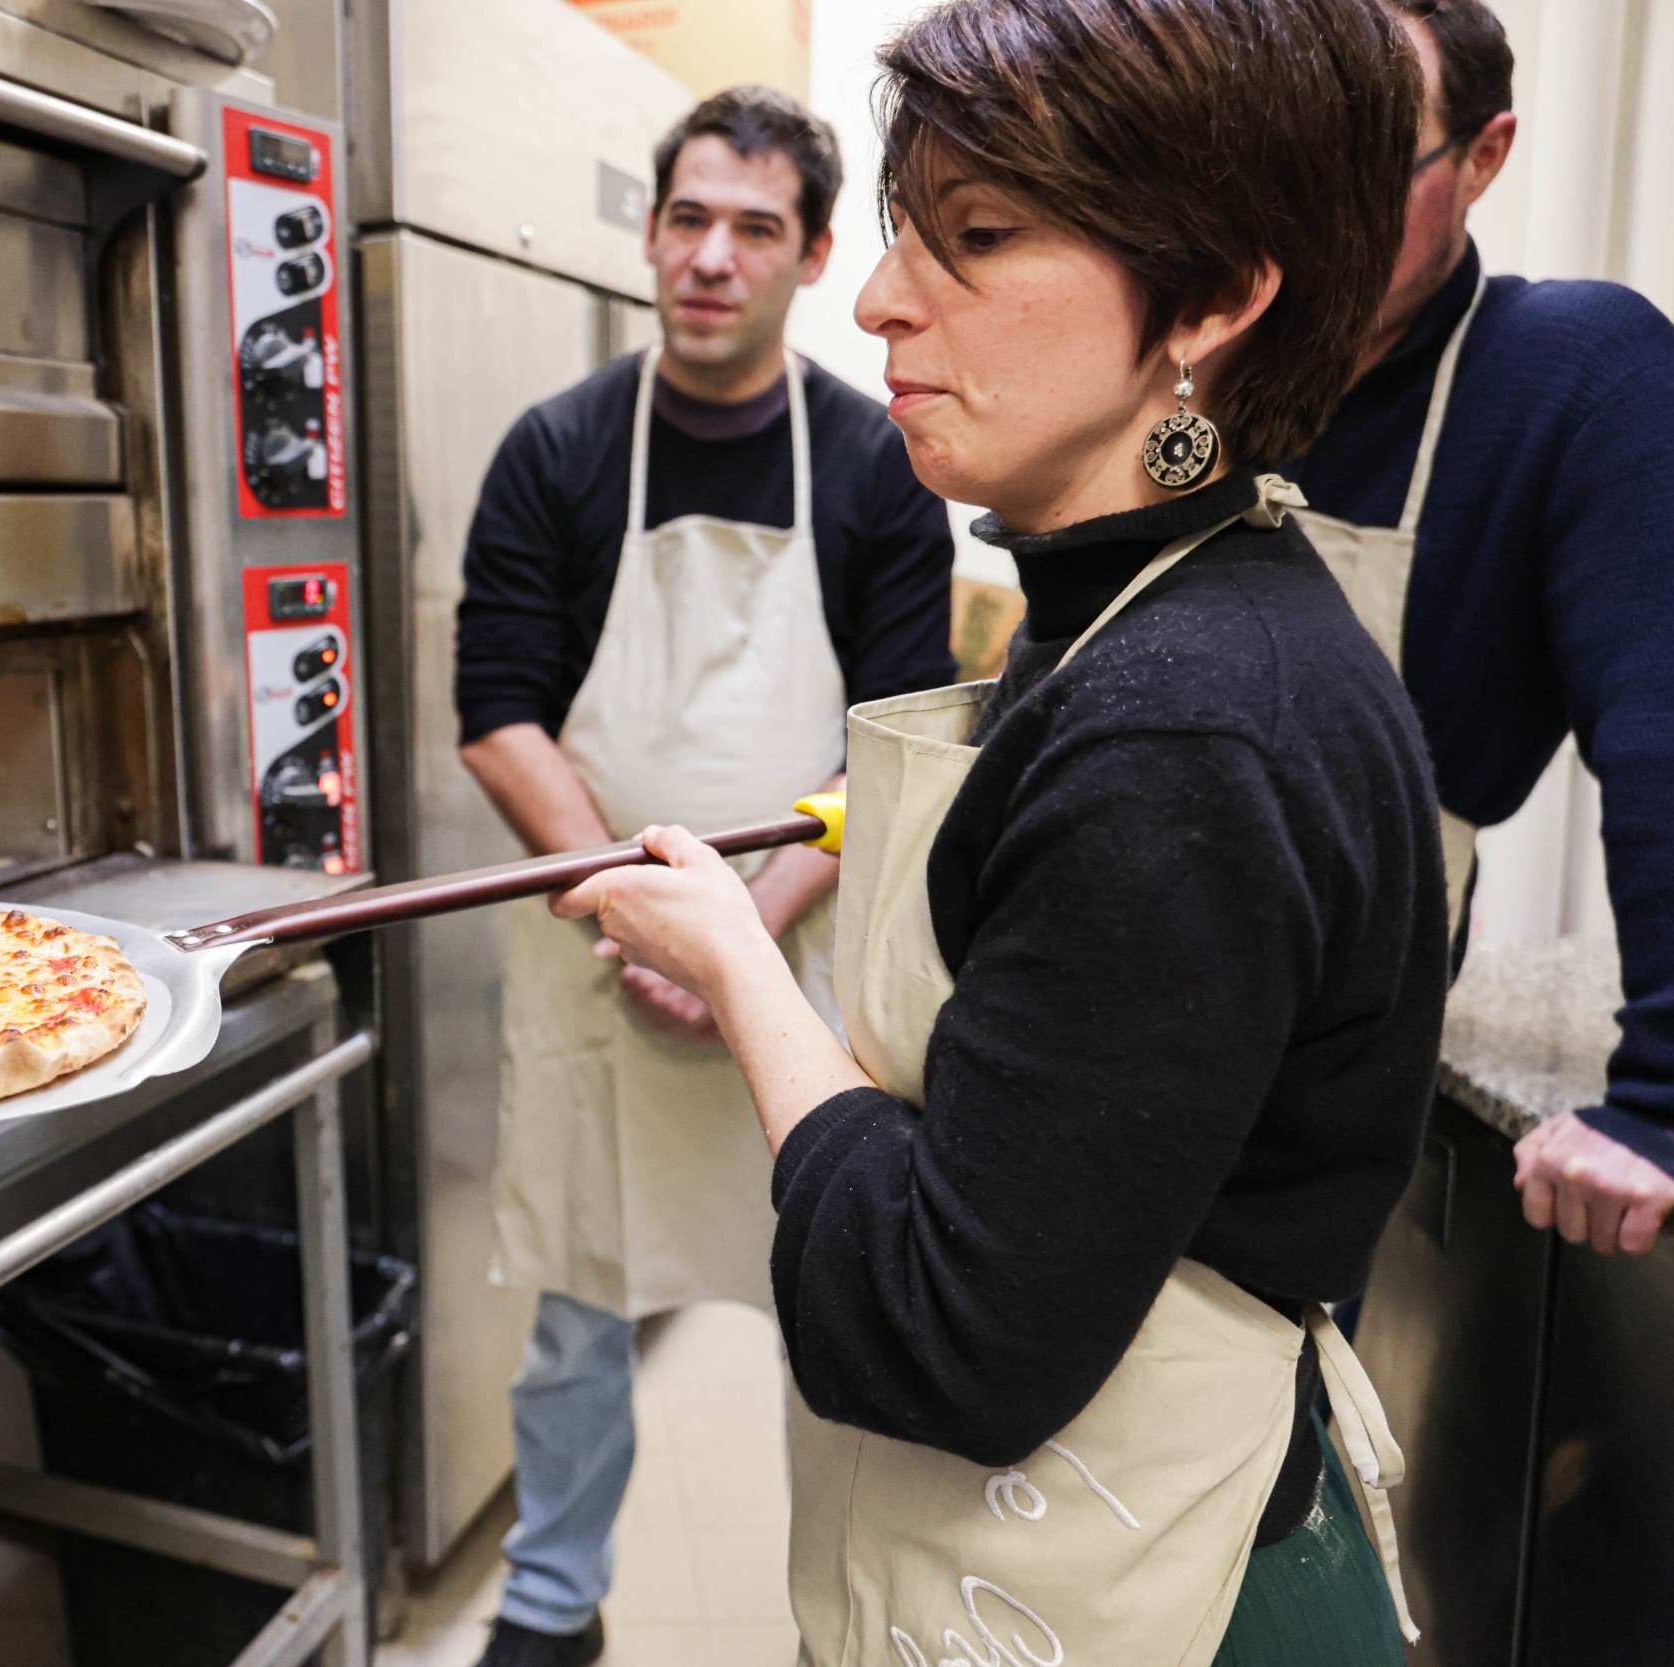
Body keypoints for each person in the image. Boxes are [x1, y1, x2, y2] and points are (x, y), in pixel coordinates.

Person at [557, 0, 1447, 1660]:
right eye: (903, 236)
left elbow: (939, 1330)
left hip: (1167, 1597)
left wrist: (743, 963)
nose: (882, 298)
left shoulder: (1185, 721)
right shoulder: (1146, 610)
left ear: (1218, 295)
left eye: (974, 240)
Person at [452, 86, 955, 1667]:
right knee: (581, 1305)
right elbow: (500, 712)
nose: (711, 258)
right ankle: (549, 1597)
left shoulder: (877, 466)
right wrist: (634, 897)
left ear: (812, 255)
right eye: (687, 219)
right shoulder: (560, 449)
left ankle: (841, 1616)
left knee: (825, 1291)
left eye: (755, 228)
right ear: (652, 234)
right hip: (601, 947)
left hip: (790, 956)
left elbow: (892, 739)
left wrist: (735, 930)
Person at [1286, 0, 1674, 1258]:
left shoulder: (1570, 374)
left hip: (1310, 1081)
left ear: (1484, 155)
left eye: (1366, 165)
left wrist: (1664, 1093)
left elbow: (1663, 734)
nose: (1310, 217)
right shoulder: (1201, 370)